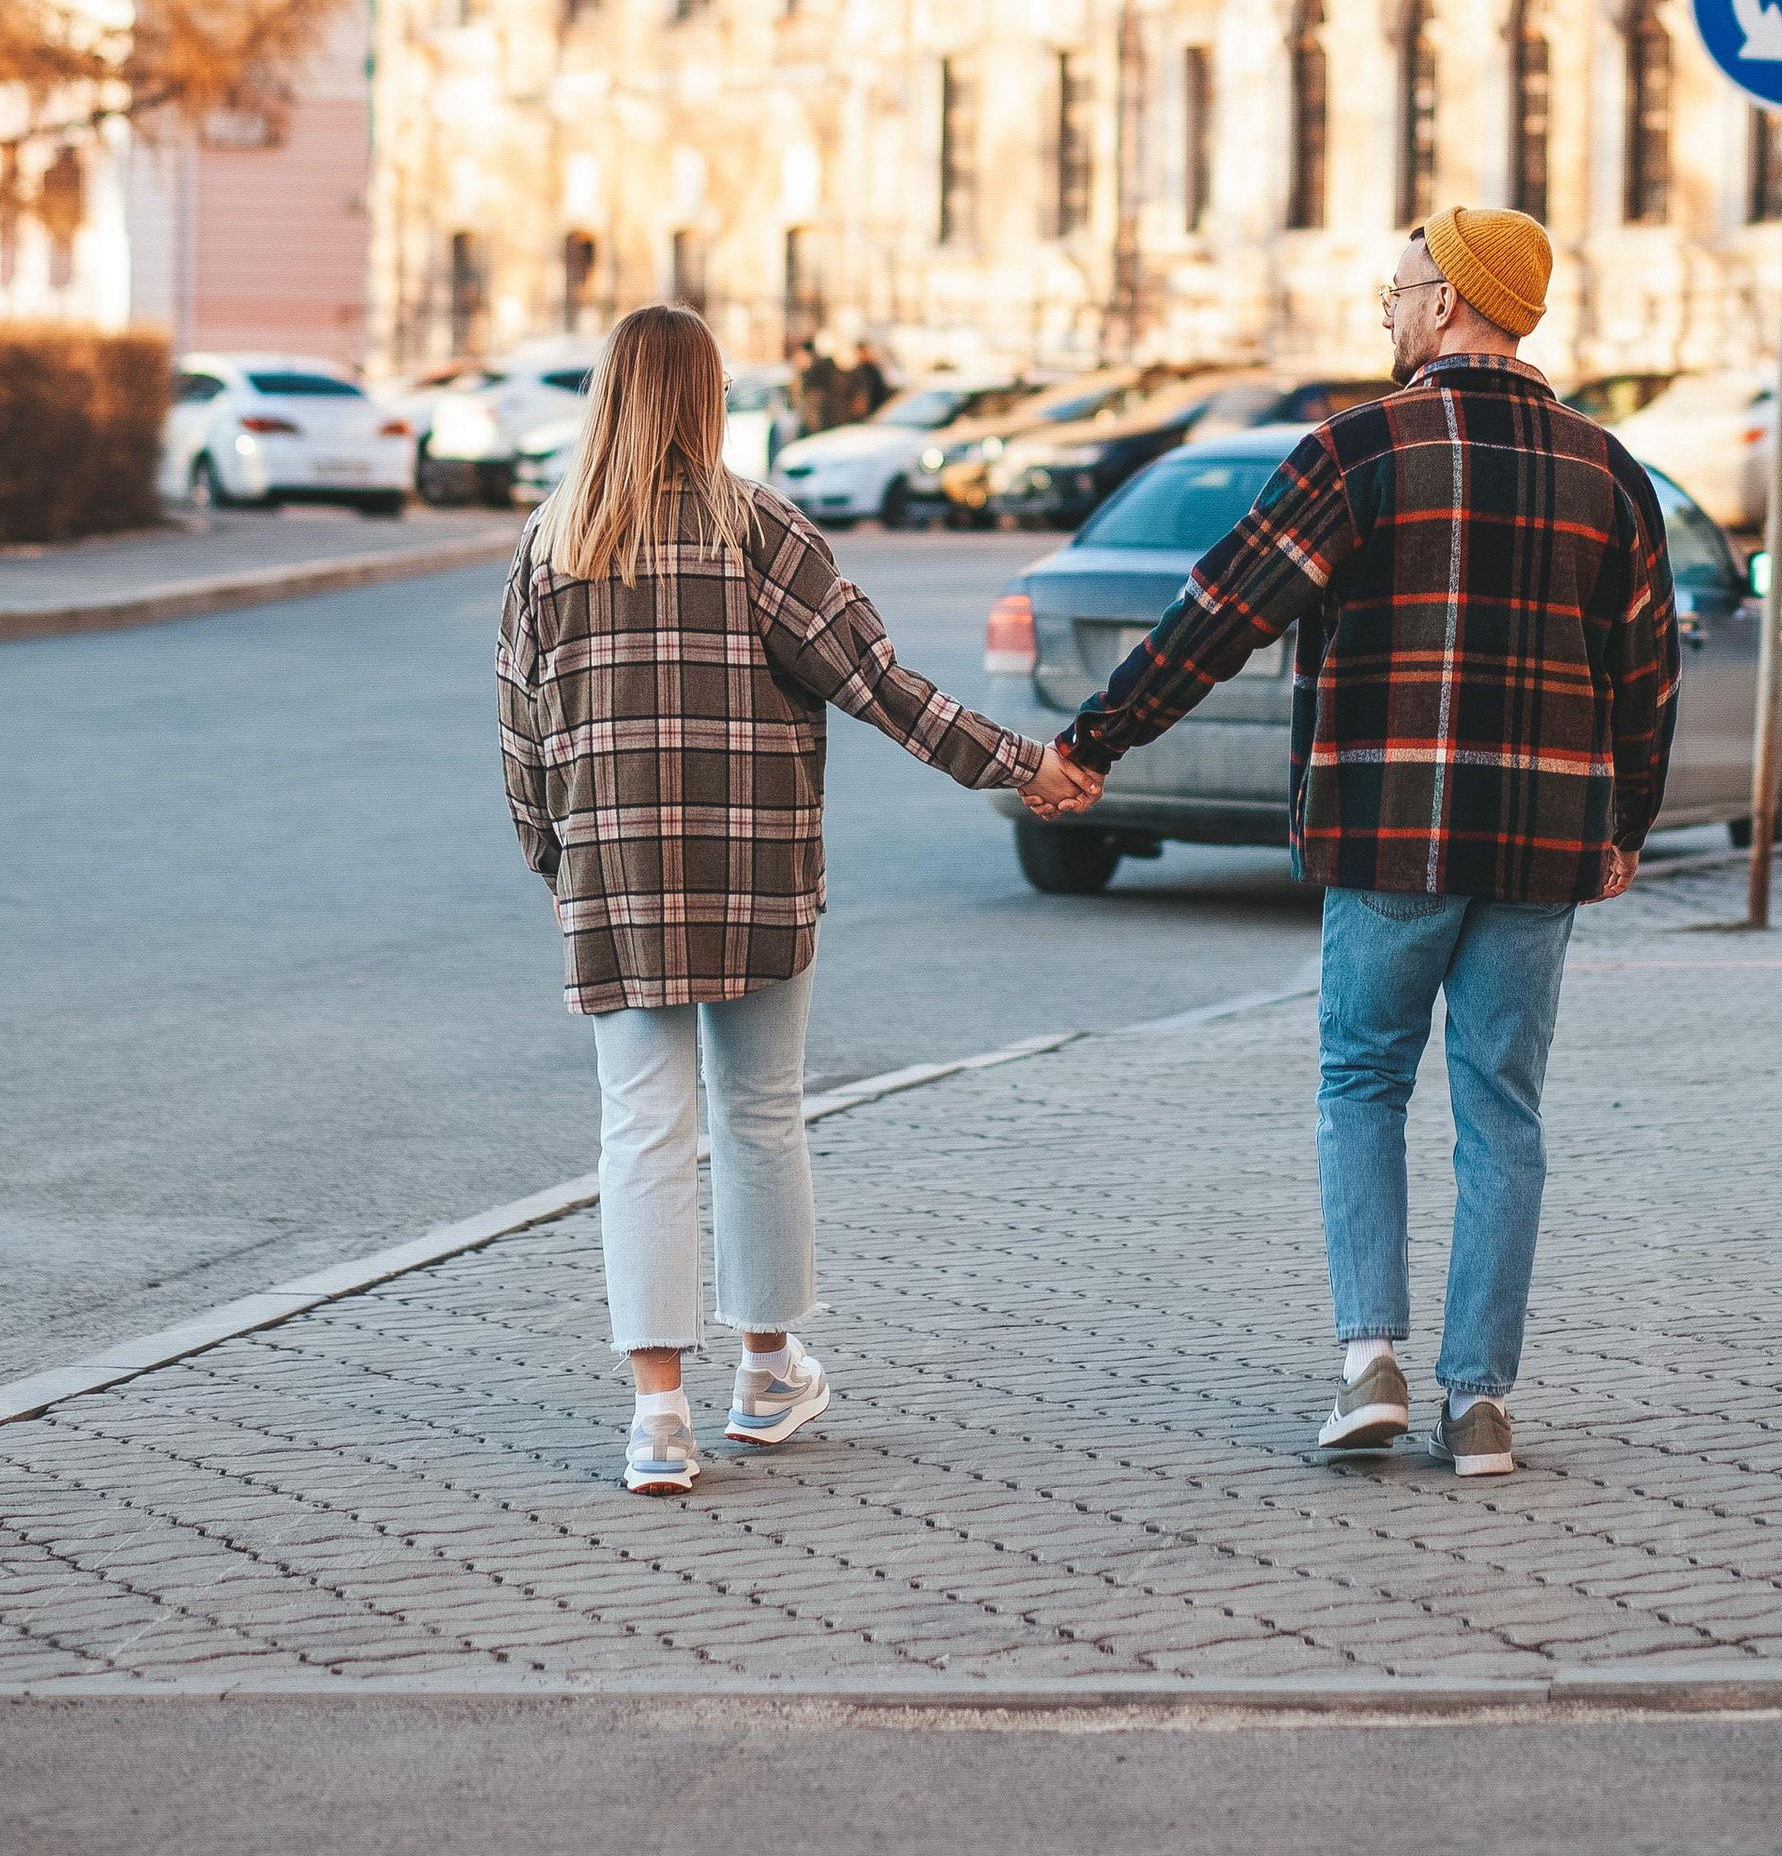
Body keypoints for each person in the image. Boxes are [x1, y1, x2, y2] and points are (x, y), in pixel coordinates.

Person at [1058, 208, 1677, 1477]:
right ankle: (1483, 1404)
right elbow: (1646, 672)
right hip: (1539, 844)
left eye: (1395, 289)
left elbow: (1219, 609)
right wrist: (1626, 822)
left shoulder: (1357, 449)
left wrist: (1098, 740)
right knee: (1502, 1109)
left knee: (1361, 1087)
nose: (1385, 311)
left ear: (1447, 300)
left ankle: (1371, 1367)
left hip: (1390, 831)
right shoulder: (1608, 472)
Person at [500, 301, 1104, 1495]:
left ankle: (656, 1418)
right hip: (757, 871)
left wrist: (559, 862)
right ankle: (767, 1372)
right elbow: (881, 686)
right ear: (707, 397)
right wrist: (1021, 763)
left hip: (616, 879)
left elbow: (522, 738)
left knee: (643, 1131)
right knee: (761, 1115)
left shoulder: (551, 544)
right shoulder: (760, 531)